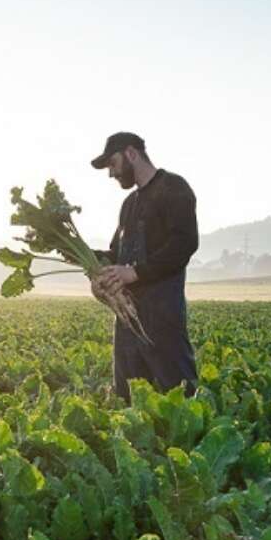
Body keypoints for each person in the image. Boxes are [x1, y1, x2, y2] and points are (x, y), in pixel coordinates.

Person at [89, 131, 199, 400]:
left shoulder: (173, 188)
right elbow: (116, 254)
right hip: (127, 319)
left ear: (131, 153)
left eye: (113, 164)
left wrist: (135, 273)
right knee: (128, 400)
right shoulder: (129, 204)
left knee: (177, 396)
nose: (111, 173)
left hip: (162, 318)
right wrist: (84, 256)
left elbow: (184, 244)